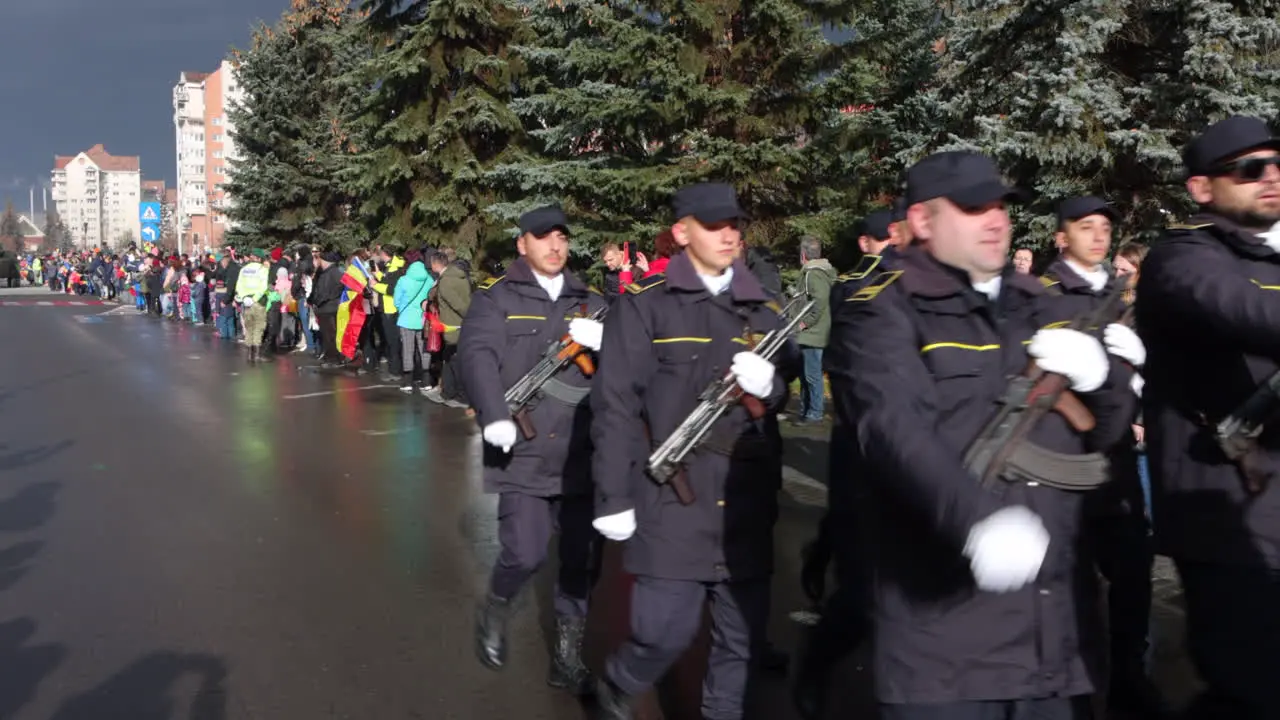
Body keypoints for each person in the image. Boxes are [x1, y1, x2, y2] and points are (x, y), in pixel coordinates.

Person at [825, 151, 1137, 720]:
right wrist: (977, 520)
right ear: (922, 221)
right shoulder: (881, 312)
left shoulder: (1041, 305)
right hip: (945, 643)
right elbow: (892, 428)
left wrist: (1106, 382)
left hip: (1054, 639)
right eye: (973, 208)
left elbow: (1107, 439)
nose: (995, 220)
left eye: (1000, 206)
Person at [592, 183, 797, 720]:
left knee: (741, 640)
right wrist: (613, 495)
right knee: (663, 632)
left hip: (745, 498)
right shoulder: (646, 309)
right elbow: (615, 405)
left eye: (735, 223)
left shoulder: (763, 308)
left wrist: (770, 386)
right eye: (714, 224)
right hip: (672, 495)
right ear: (682, 233)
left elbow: (782, 389)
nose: (729, 233)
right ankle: (622, 678)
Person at [1136, 115, 1280, 720]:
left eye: (1276, 166)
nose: (1270, 178)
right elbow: (1247, 312)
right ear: (1201, 188)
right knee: (1251, 690)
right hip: (1223, 511)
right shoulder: (1182, 258)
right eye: (1249, 169)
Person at [459, 206, 606, 696]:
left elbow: (635, 365)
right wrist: (493, 412)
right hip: (521, 446)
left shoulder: (594, 301)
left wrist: (612, 342)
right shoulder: (496, 299)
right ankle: (497, 605)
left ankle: (567, 656)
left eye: (562, 237)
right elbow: (477, 356)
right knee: (524, 551)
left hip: (584, 453)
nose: (555, 246)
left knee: (582, 562)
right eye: (544, 238)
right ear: (522, 244)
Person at [1041, 196, 1163, 718]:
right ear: (1060, 237)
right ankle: (1073, 697)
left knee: (1134, 583)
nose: (1098, 235)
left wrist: (1140, 372)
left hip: (1115, 470)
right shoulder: (1040, 297)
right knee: (1072, 596)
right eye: (1084, 226)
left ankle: (1129, 683)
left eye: (1105, 227)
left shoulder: (1120, 298)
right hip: (1064, 472)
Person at [793, 204, 911, 719]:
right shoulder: (863, 286)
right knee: (864, 595)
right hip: (867, 449)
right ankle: (816, 664)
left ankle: (826, 545)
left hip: (920, 464)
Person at [793, 236, 836, 425]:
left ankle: (815, 412)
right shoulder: (824, 271)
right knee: (806, 374)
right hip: (818, 331)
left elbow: (820, 300)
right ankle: (805, 410)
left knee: (812, 375)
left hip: (813, 333)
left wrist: (805, 323)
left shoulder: (812, 274)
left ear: (803, 255)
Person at [235, 250, 271, 363]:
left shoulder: (243, 269)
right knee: (258, 327)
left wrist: (244, 298)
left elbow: (239, 285)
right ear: (260, 259)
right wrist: (254, 299)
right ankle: (257, 355)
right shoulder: (263, 270)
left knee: (249, 327)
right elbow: (264, 286)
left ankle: (250, 354)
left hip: (246, 302)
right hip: (258, 302)